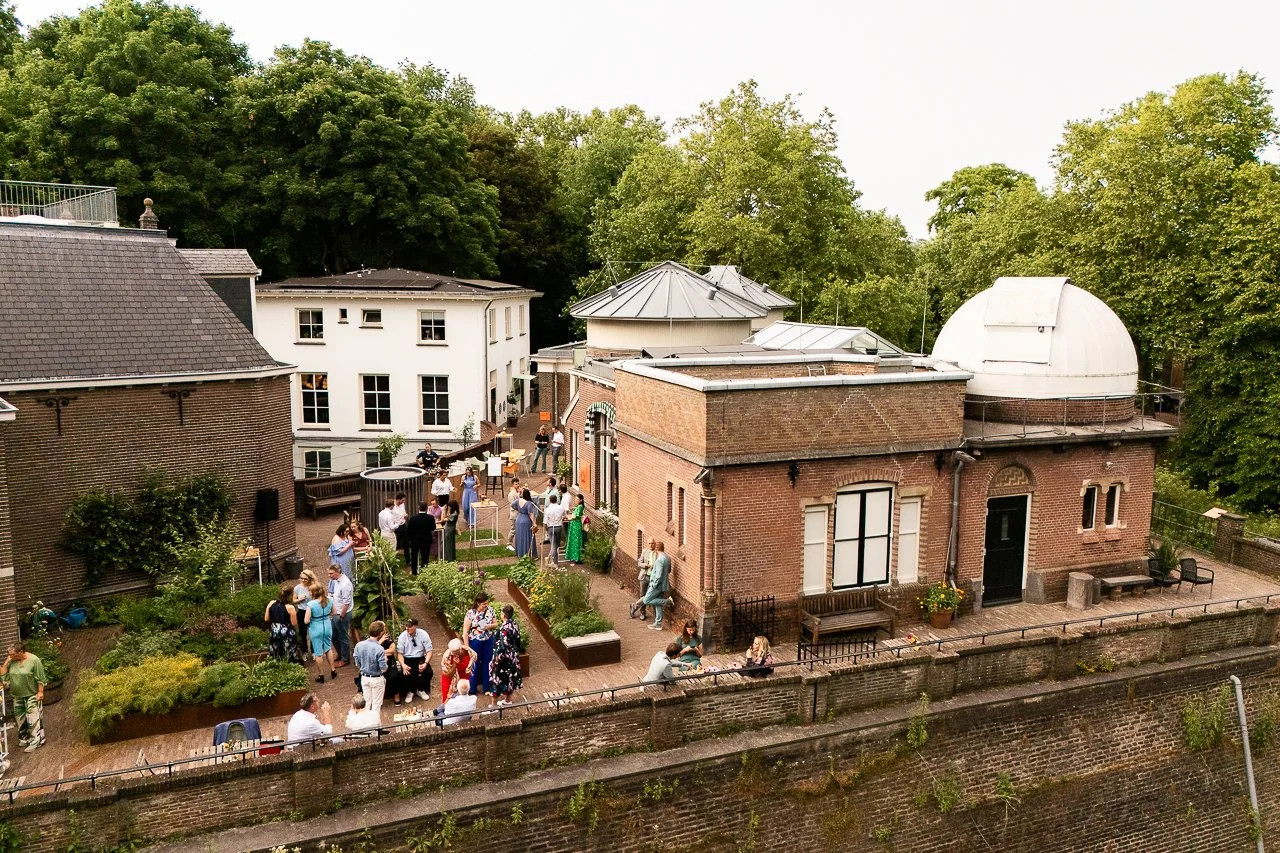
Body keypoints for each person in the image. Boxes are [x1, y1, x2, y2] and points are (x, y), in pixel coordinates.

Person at [1, 642, 47, 752]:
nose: (11, 657)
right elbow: (3, 674)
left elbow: (40, 678)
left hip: (31, 693)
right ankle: (24, 738)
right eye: (10, 655)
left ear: (21, 652)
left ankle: (35, 741)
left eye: (13, 655)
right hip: (17, 695)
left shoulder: (34, 660)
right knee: (20, 718)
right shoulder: (12, 661)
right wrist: (7, 661)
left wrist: (40, 692)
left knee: (32, 718)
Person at [462, 593, 497, 703]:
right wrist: (467, 647)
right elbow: (465, 632)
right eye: (483, 604)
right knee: (474, 663)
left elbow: (496, 624)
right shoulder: (470, 613)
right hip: (476, 641)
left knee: (488, 662)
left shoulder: (490, 610)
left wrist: (489, 626)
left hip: (488, 639)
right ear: (478, 603)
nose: (486, 605)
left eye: (487, 603)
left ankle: (487, 687)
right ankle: (472, 689)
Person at [489, 605, 524, 704]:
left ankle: (494, 705)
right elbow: (517, 641)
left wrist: (496, 660)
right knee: (510, 677)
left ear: (503, 615)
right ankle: (508, 700)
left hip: (503, 657)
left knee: (495, 679)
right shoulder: (515, 624)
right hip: (513, 656)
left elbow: (502, 646)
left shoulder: (503, 629)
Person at [394, 618, 433, 706]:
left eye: (410, 626)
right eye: (406, 626)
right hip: (408, 658)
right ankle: (411, 691)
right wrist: (403, 664)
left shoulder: (423, 634)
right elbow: (400, 654)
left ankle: (421, 689)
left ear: (415, 626)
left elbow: (429, 650)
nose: (407, 628)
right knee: (407, 673)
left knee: (428, 672)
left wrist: (425, 663)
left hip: (420, 657)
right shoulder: (402, 637)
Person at [304, 582, 337, 684]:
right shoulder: (330, 600)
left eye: (310, 591)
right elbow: (334, 612)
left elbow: (306, 620)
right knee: (328, 648)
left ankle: (321, 674)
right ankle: (333, 670)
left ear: (314, 592)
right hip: (327, 625)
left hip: (316, 628)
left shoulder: (311, 604)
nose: (309, 593)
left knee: (318, 653)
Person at [353, 620, 389, 713]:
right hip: (377, 678)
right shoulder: (379, 648)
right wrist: (385, 660)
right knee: (376, 705)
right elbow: (383, 668)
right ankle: (376, 726)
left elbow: (357, 663)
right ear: (381, 633)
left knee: (366, 704)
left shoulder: (359, 645)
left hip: (364, 677)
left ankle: (367, 726)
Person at [264, 583, 301, 664]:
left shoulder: (271, 603)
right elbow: (294, 623)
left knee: (275, 652)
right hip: (286, 632)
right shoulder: (290, 608)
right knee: (289, 653)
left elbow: (266, 618)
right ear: (290, 595)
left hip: (274, 630)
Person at [639, 542, 671, 630]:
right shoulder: (668, 558)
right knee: (658, 605)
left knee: (646, 600)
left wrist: (654, 585)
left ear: (656, 550)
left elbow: (658, 575)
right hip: (664, 585)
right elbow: (669, 570)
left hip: (657, 586)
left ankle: (667, 602)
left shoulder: (659, 560)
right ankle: (658, 623)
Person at [328, 564, 354, 666]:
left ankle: (345, 659)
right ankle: (340, 653)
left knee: (343, 636)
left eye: (331, 573)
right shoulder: (336, 581)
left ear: (338, 572)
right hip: (335, 612)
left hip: (342, 614)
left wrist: (341, 616)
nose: (329, 575)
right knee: (334, 635)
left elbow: (346, 603)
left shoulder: (345, 584)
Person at [405, 501, 436, 575]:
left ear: (419, 507)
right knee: (425, 556)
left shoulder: (413, 518)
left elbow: (409, 530)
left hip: (415, 540)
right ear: (426, 508)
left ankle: (414, 571)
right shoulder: (430, 518)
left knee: (414, 556)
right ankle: (424, 571)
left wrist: (410, 540)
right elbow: (433, 528)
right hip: (426, 540)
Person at [633, 537, 657, 619]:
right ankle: (642, 612)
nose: (651, 545)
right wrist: (645, 565)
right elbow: (639, 562)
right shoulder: (645, 551)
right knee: (642, 594)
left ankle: (634, 606)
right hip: (644, 576)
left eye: (652, 543)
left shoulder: (657, 554)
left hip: (653, 578)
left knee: (652, 595)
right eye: (649, 543)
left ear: (655, 544)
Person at [511, 489, 538, 558]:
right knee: (527, 536)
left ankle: (520, 553)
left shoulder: (518, 500)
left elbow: (512, 505)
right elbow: (531, 514)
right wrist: (534, 523)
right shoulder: (528, 503)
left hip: (519, 519)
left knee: (520, 536)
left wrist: (519, 510)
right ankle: (527, 553)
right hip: (526, 521)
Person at [543, 493, 566, 566]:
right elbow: (564, 516)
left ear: (550, 500)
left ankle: (555, 562)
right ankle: (554, 559)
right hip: (559, 527)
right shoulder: (561, 508)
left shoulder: (547, 510)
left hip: (551, 527)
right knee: (557, 543)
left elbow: (545, 522)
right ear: (556, 500)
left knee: (553, 545)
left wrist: (547, 530)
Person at [564, 493, 585, 564]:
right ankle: (573, 557)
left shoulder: (580, 507)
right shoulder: (578, 507)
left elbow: (575, 516)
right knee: (573, 540)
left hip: (576, 526)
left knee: (576, 541)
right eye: (575, 499)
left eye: (577, 499)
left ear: (581, 500)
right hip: (573, 525)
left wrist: (569, 516)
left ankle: (577, 558)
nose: (576, 500)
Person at [505, 477, 522, 550]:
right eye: (516, 484)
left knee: (518, 529)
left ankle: (517, 543)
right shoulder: (511, 494)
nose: (517, 485)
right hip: (514, 514)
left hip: (518, 514)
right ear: (512, 485)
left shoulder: (518, 491)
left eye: (518, 484)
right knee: (513, 529)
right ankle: (509, 544)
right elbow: (513, 504)